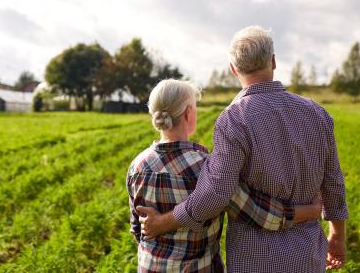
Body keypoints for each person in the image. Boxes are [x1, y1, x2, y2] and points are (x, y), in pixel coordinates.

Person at [137, 26, 348, 272]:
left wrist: (163, 222)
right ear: (273, 61)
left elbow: (215, 194)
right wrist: (337, 237)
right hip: (307, 255)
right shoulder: (317, 114)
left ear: (233, 69)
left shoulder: (234, 119)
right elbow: (333, 183)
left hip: (254, 259)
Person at [128, 79, 322, 272]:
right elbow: (257, 213)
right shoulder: (207, 167)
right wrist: (309, 211)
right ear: (188, 113)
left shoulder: (137, 166)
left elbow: (137, 230)